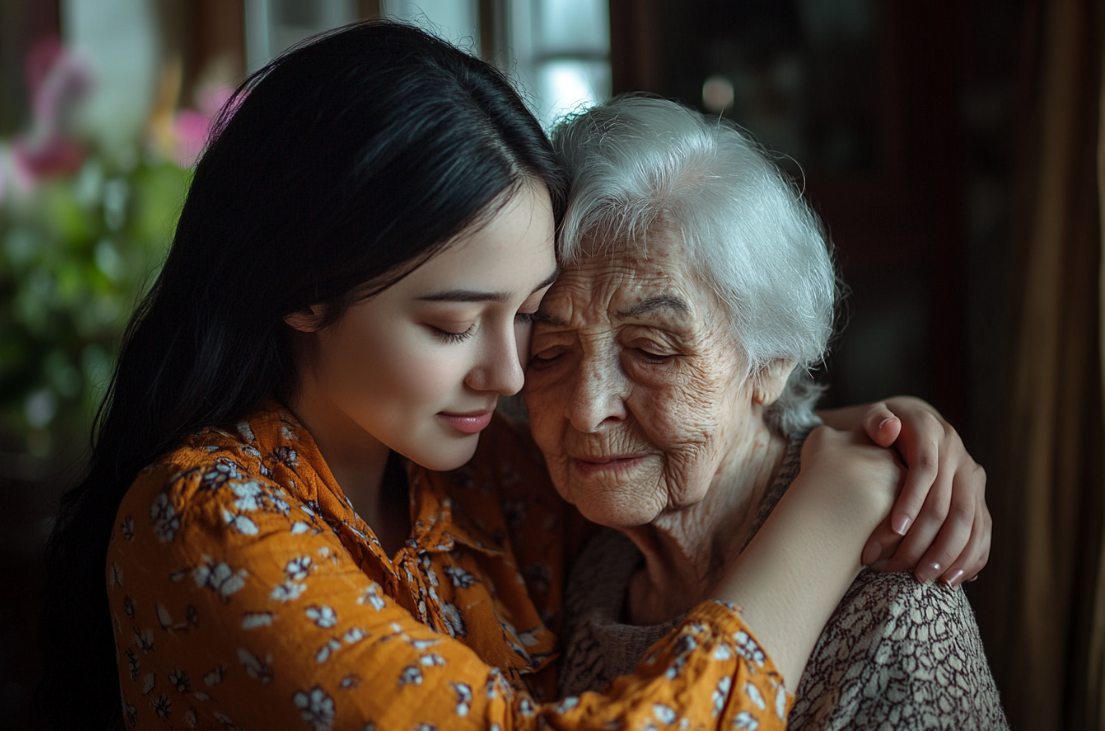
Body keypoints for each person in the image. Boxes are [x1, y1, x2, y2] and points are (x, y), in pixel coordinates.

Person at [37, 22, 988, 731]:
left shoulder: (490, 478)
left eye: (526, 319)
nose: (508, 378)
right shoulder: (210, 517)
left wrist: (862, 436)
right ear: (306, 292)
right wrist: (821, 518)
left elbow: (699, 448)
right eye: (454, 324)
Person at [528, 96, 1006, 728]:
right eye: (549, 351)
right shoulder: (593, 563)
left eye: (650, 349)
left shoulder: (892, 597)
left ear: (771, 360)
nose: (587, 411)